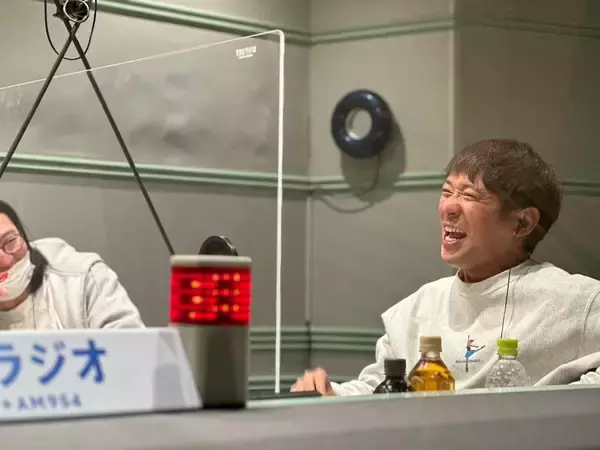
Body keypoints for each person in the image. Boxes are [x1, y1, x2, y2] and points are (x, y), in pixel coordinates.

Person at [291, 139, 600, 396]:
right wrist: (329, 395)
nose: (449, 207)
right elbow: (379, 390)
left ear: (523, 222)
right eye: (447, 191)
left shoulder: (578, 302)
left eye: (469, 195)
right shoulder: (416, 309)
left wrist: (543, 414)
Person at [0, 200, 145, 330]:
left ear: (24, 238)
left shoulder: (84, 278)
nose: (5, 260)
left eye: (10, 241)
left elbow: (130, 345)